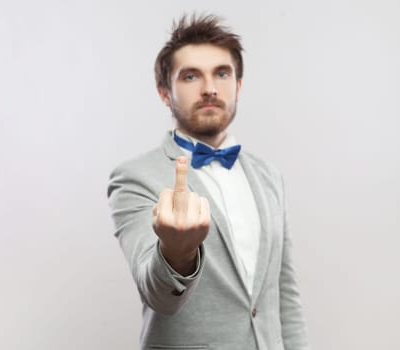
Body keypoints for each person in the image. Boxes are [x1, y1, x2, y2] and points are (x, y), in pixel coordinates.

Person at [107, 14, 309, 350]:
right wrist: (176, 253)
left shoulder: (268, 175)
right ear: (164, 92)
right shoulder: (135, 177)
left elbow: (285, 292)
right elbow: (158, 295)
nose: (210, 88)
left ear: (238, 85)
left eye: (222, 73)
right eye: (190, 76)